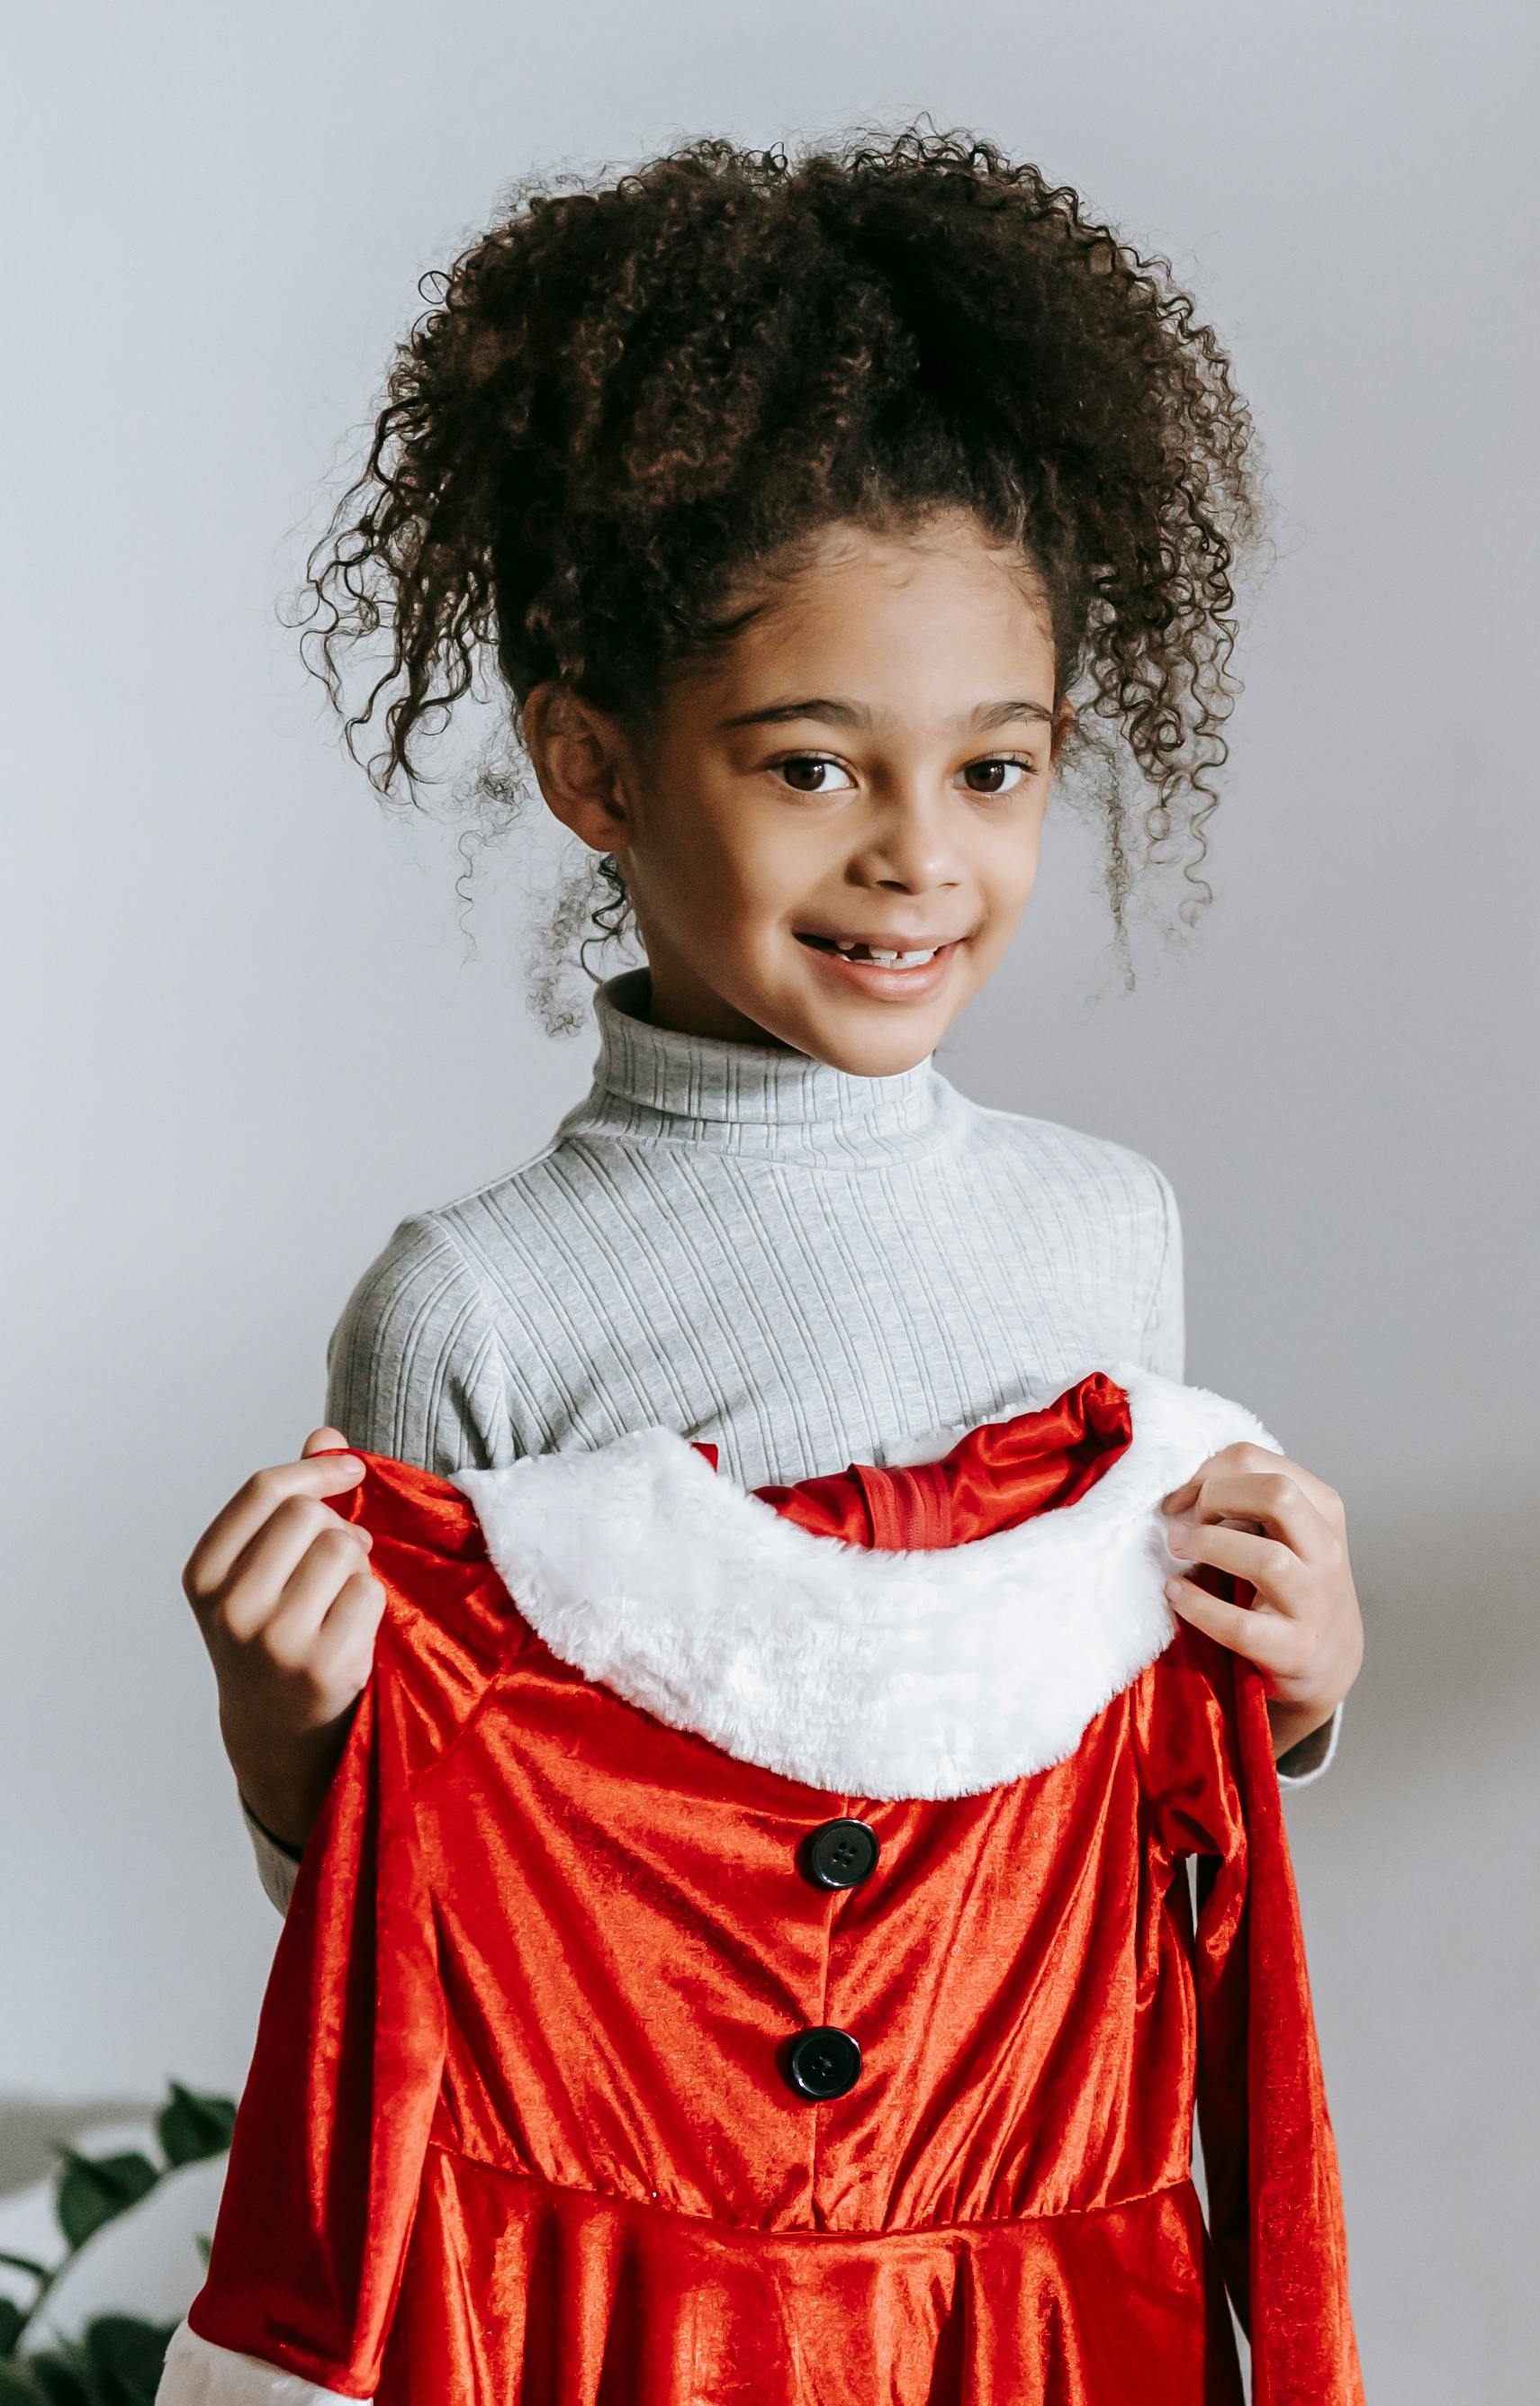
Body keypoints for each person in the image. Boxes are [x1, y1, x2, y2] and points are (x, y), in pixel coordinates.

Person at [173, 129, 1364, 1915]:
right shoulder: (475, 1311)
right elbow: (430, 1938)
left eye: (994, 767)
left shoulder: (1108, 1227)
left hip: (1030, 2188)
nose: (918, 854)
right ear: (592, 764)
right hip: (647, 2190)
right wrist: (287, 1749)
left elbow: (1108, 1822)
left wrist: (1299, 1686)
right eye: (813, 764)